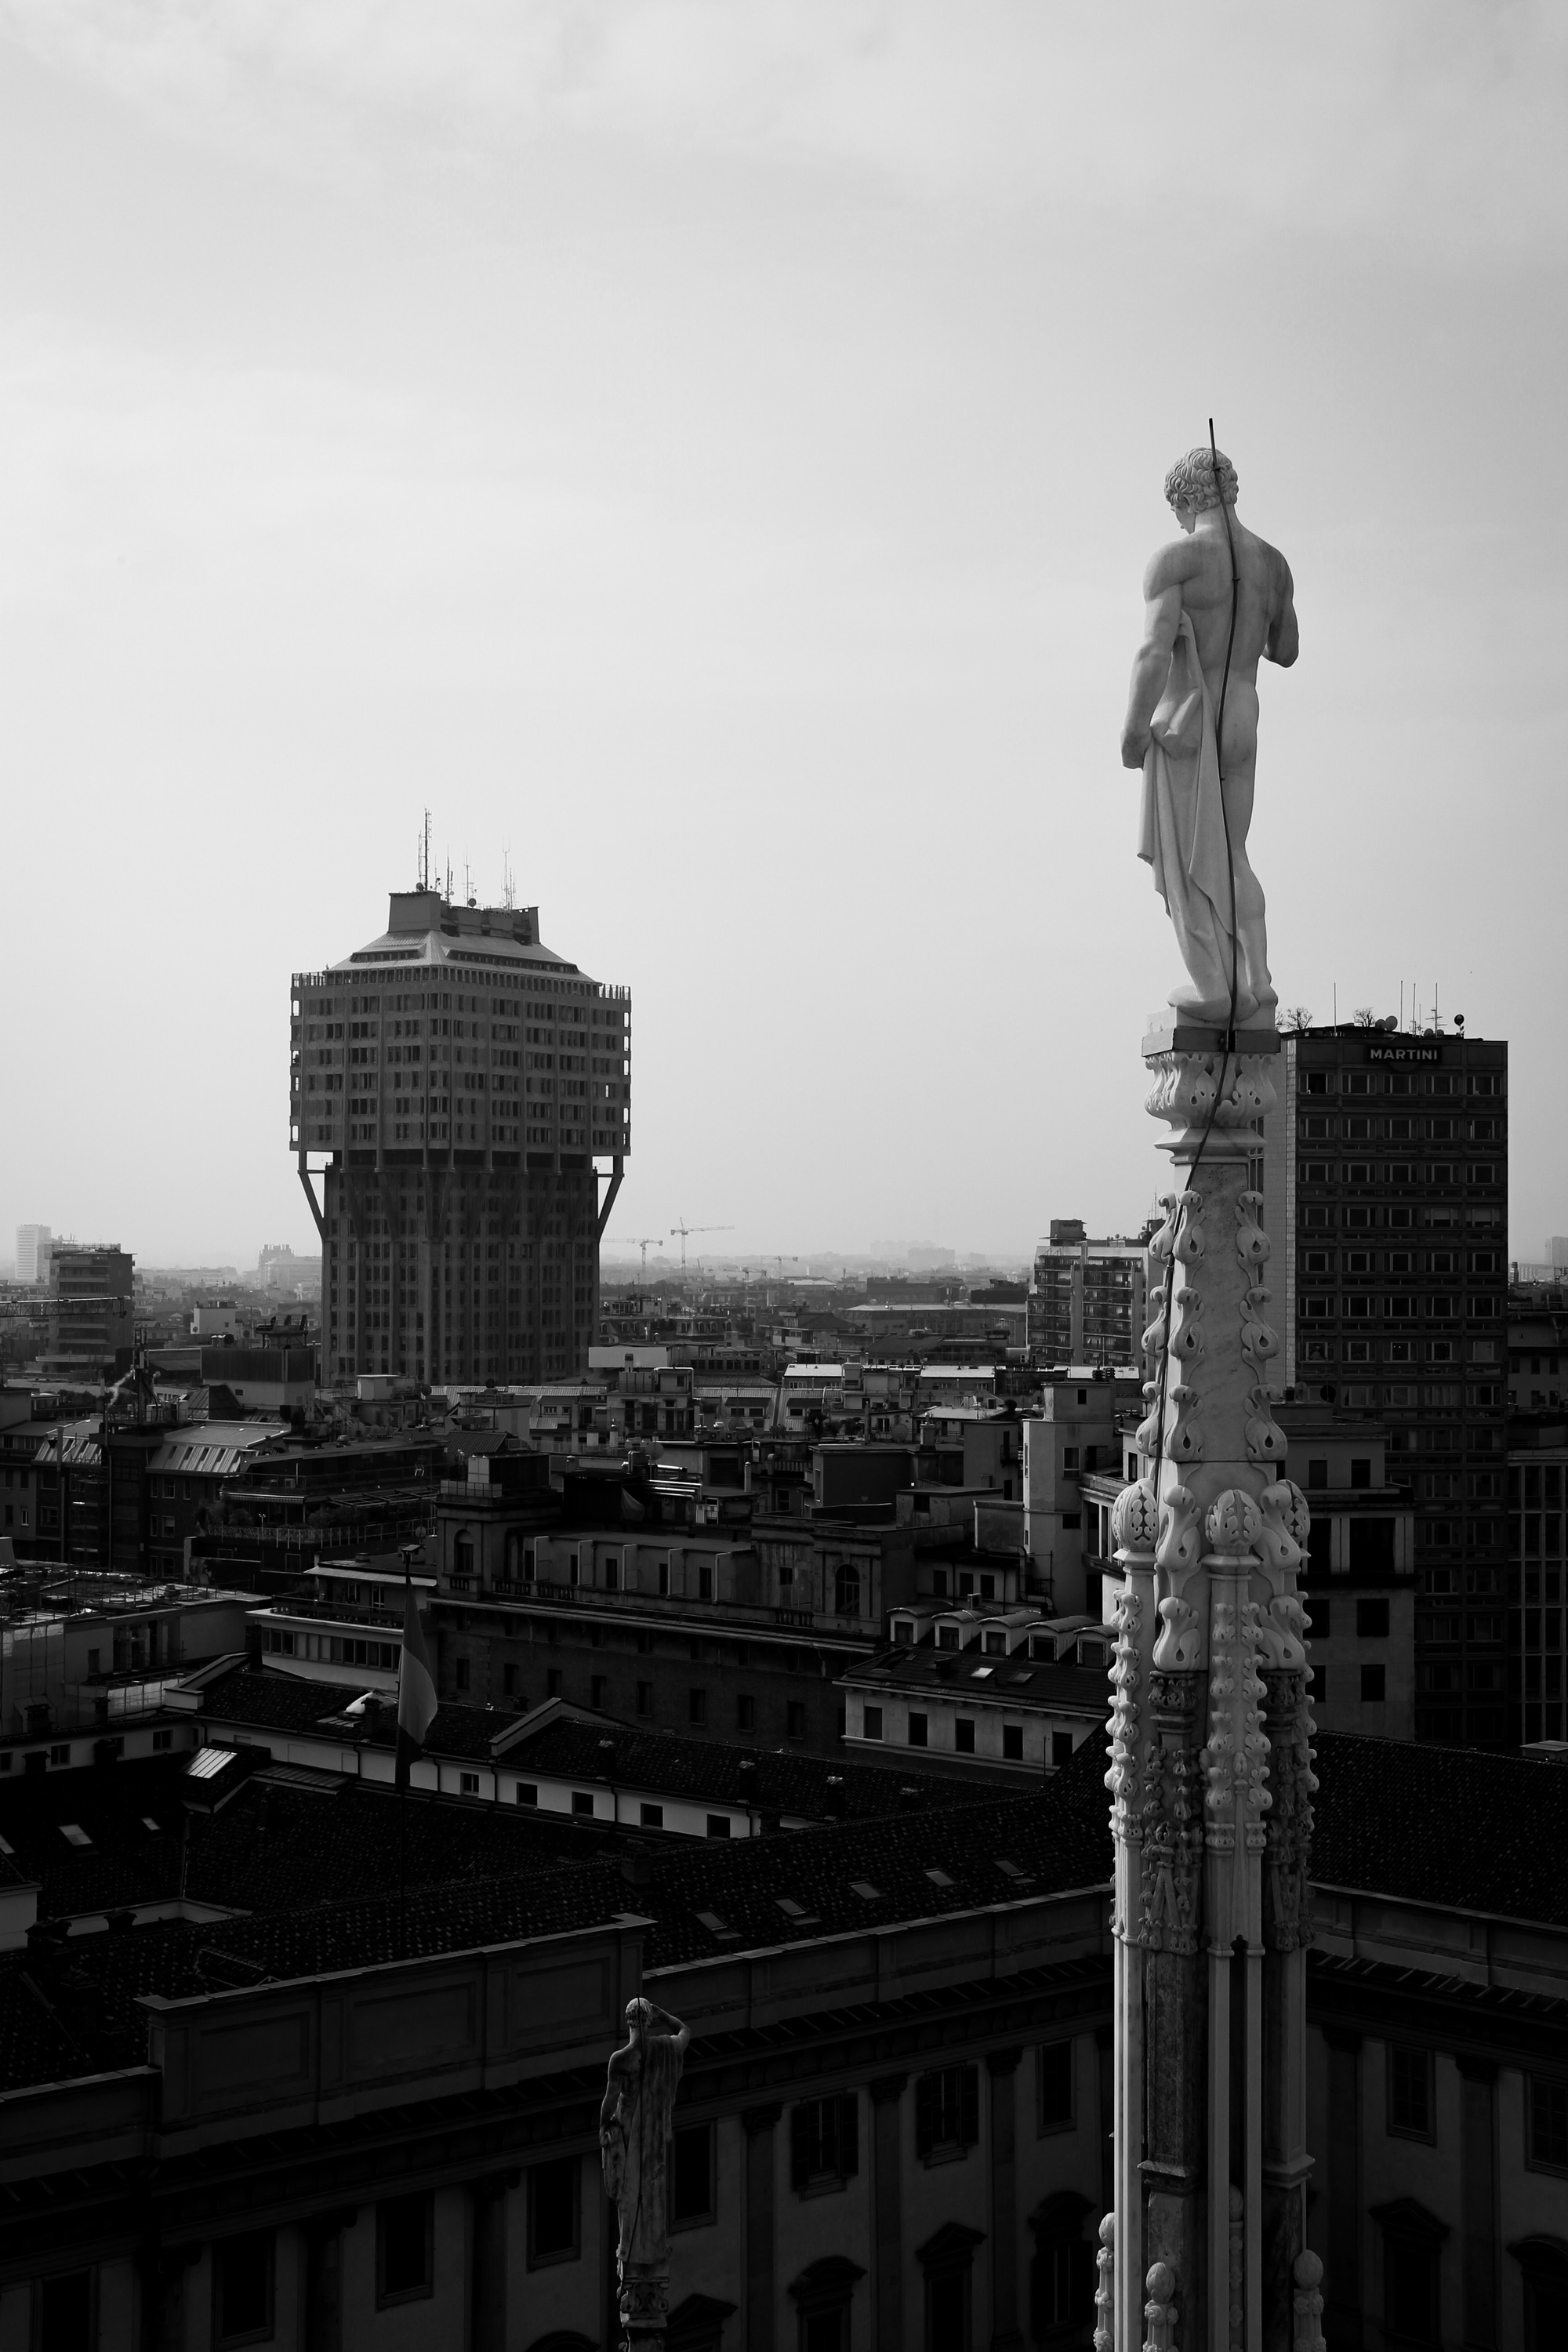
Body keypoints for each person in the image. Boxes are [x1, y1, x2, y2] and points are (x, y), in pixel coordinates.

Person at [1121, 446, 1298, 1028]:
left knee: (1189, 856)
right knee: (1235, 852)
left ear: (1184, 498)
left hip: (1190, 723)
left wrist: (1130, 731)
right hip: (1244, 714)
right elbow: (1287, 651)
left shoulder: (1177, 560)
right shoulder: (1272, 564)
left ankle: (1213, 988)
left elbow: (1152, 648)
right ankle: (1260, 982)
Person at [600, 1997, 691, 2280]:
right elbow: (685, 2032)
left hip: (629, 2132)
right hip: (654, 2131)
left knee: (629, 2192)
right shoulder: (665, 2047)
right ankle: (651, 2248)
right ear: (649, 2020)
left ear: (628, 2021)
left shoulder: (622, 2059)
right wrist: (663, 2013)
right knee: (652, 2187)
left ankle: (630, 2250)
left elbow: (609, 2100)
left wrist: (603, 2128)